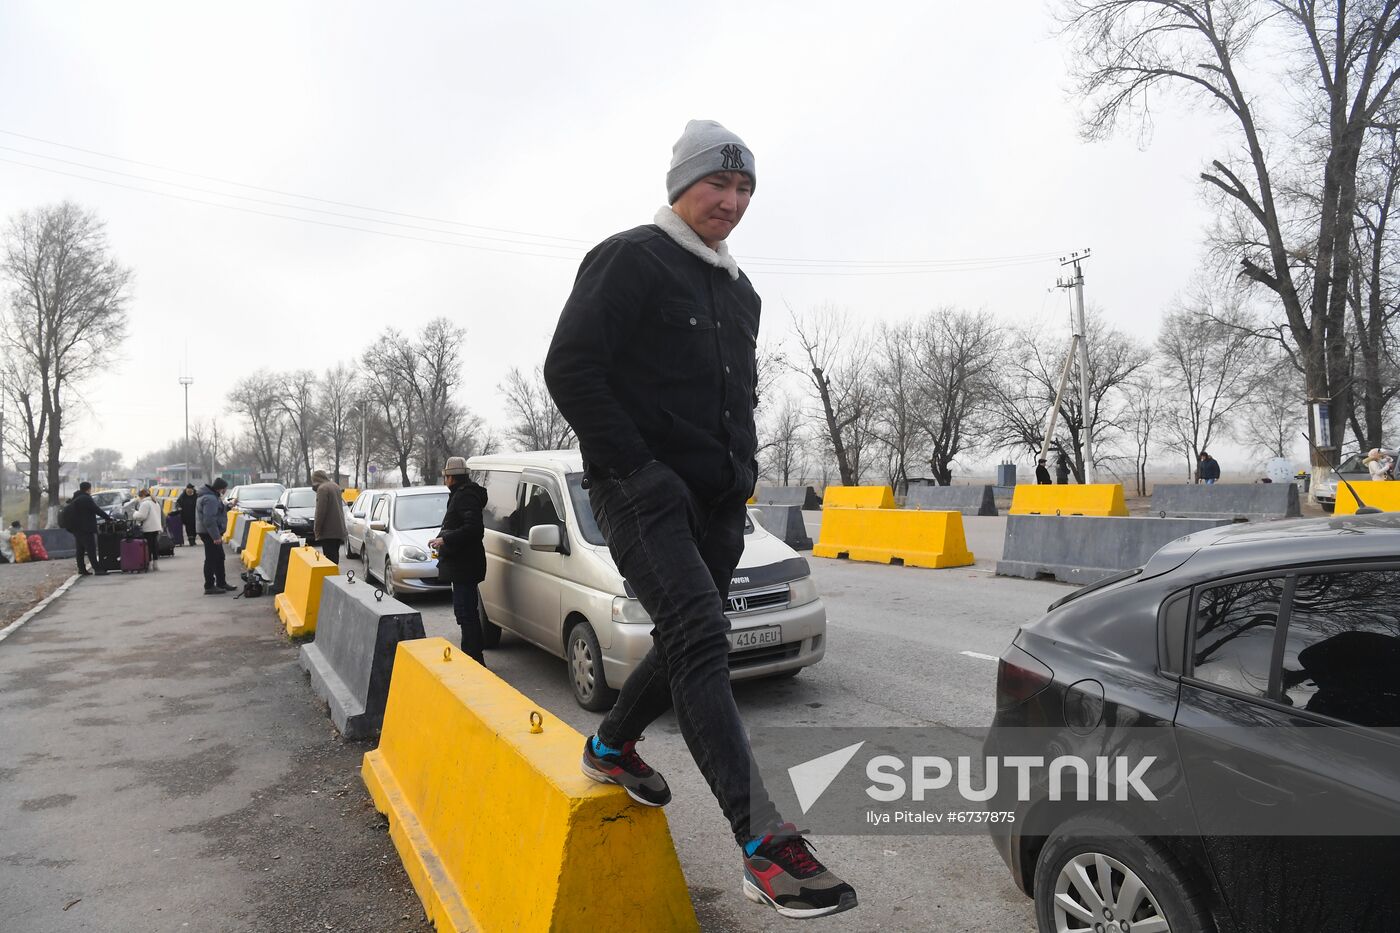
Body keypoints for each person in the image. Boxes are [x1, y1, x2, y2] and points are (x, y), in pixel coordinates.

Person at [543, 119, 856, 920]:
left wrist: (742, 477)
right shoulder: (631, 258)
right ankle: (763, 841)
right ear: (681, 184)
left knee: (690, 636)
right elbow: (570, 367)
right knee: (702, 637)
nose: (732, 200)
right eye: (719, 183)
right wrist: (639, 470)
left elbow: (737, 398)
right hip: (641, 492)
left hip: (719, 505)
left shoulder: (737, 290)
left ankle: (611, 745)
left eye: (746, 188)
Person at [428, 457, 488, 663]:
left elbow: (474, 529)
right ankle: (473, 656)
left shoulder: (465, 496)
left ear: (452, 477)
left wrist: (445, 539)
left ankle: (474, 659)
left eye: (446, 476)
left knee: (466, 613)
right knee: (466, 612)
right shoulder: (462, 494)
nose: (445, 480)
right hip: (464, 564)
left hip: (464, 565)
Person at [195, 478, 235, 595]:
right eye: (225, 488)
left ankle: (221, 582)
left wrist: (228, 506)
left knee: (219, 557)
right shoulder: (210, 499)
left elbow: (217, 512)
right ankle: (209, 586)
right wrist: (216, 536)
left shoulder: (210, 496)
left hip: (209, 532)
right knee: (211, 559)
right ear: (221, 488)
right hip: (210, 533)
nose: (225, 491)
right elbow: (209, 519)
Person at [65, 481, 113, 576]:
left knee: (80, 549)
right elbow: (96, 510)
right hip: (85, 529)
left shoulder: (76, 498)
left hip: (76, 528)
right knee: (91, 549)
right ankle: (98, 569)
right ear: (88, 489)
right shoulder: (86, 499)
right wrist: (108, 518)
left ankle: (82, 569)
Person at [311, 470, 346, 564]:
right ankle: (335, 576)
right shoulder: (335, 486)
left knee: (329, 559)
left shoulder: (322, 489)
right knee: (335, 556)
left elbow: (320, 512)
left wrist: (317, 530)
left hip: (328, 531)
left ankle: (331, 577)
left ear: (315, 479)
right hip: (338, 528)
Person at [132, 489, 163, 570]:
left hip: (148, 528)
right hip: (155, 527)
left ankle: (148, 564)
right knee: (154, 546)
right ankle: (155, 564)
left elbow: (142, 516)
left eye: (139, 497)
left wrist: (134, 513)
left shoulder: (145, 503)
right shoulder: (154, 502)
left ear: (142, 496)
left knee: (148, 547)